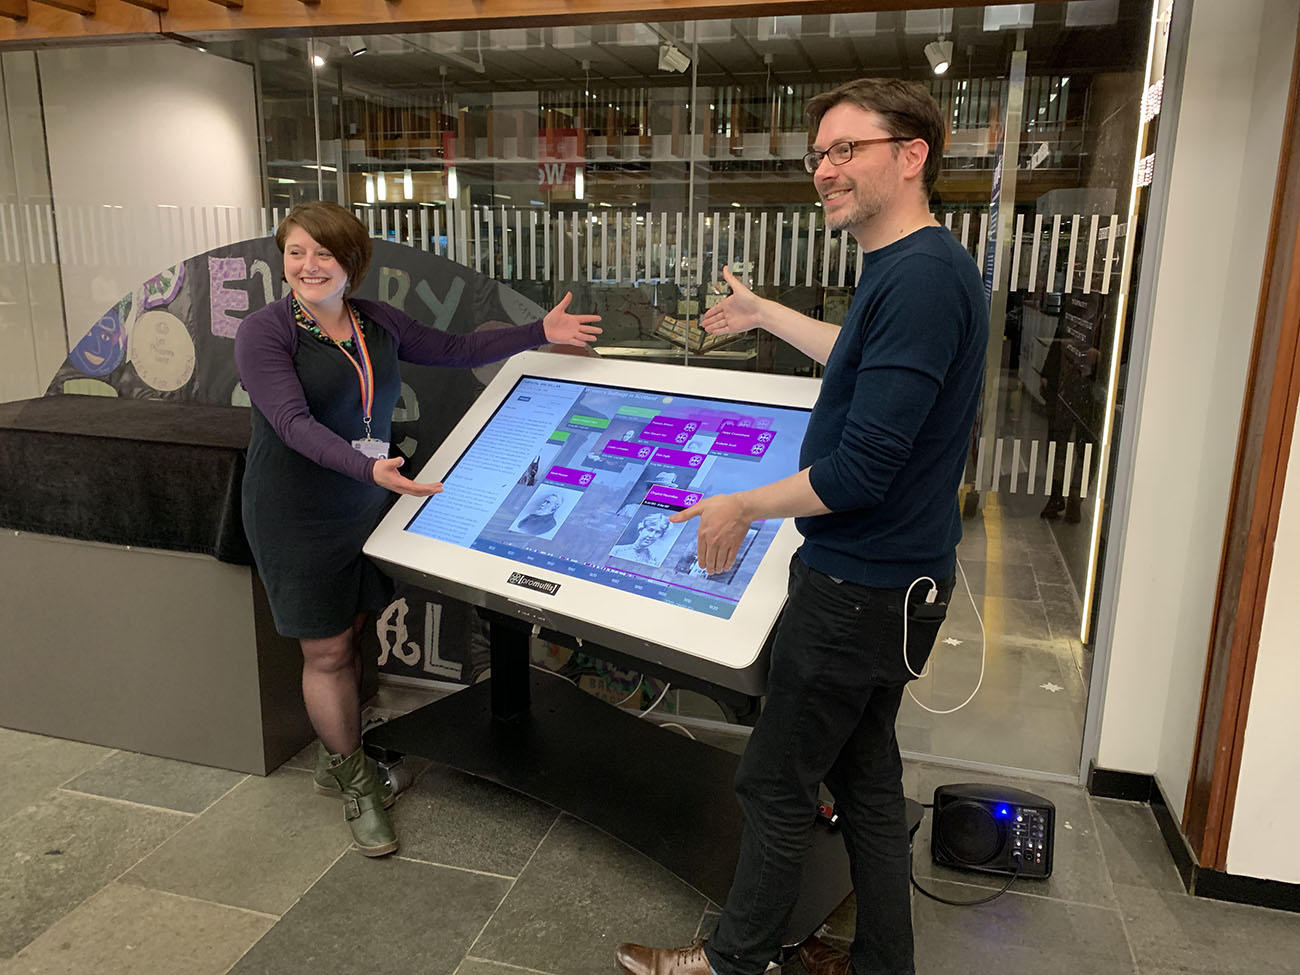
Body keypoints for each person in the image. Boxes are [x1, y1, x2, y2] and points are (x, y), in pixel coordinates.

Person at [614, 78, 987, 975]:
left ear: (911, 154)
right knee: (864, 782)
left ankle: (731, 962)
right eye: (818, 154)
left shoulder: (925, 279)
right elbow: (860, 359)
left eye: (845, 149)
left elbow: (864, 468)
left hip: (860, 587)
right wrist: (762, 314)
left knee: (776, 783)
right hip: (889, 586)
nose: (825, 170)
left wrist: (742, 503)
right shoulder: (910, 267)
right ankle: (882, 963)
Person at [234, 201, 600, 857]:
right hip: (298, 510)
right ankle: (354, 782)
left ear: (352, 260)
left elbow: (457, 349)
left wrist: (536, 329)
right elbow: (294, 425)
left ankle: (335, 750)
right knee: (326, 652)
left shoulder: (374, 321)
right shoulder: (266, 332)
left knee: (355, 630)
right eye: (296, 252)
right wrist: (368, 470)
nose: (309, 266)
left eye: (325, 253)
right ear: (282, 259)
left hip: (364, 500)